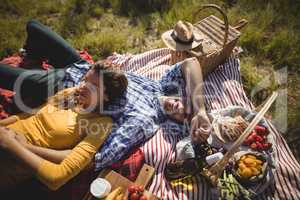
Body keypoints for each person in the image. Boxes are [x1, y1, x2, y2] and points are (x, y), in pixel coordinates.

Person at [0, 20, 211, 172]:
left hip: (66, 85)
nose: (181, 109)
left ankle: (30, 71)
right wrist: (200, 110)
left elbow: (98, 159)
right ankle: (30, 55)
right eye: (187, 106)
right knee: (34, 27)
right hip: (84, 67)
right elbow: (190, 63)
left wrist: (26, 148)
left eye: (184, 117)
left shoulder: (145, 120)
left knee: (6, 75)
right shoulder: (160, 86)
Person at [0, 62, 128, 191]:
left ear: (107, 96)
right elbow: (27, 115)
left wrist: (13, 144)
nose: (83, 86)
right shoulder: (71, 94)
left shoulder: (102, 122)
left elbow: (56, 178)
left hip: (12, 159)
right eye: (85, 79)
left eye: (93, 86)